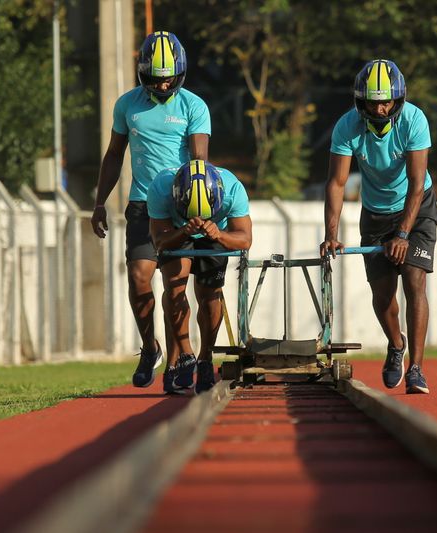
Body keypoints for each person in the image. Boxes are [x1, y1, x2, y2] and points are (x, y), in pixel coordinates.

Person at [90, 31, 211, 389]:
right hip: (143, 204)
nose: (162, 84)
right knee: (139, 278)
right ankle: (149, 347)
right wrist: (99, 203)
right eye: (155, 78)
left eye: (168, 77)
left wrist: (200, 205)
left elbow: (200, 158)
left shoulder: (193, 106)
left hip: (181, 205)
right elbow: (114, 155)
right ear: (143, 73)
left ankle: (176, 366)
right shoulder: (127, 105)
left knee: (175, 287)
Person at [320, 59, 437, 395]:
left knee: (415, 281)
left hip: (416, 209)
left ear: (398, 99)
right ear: (361, 102)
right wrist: (331, 234)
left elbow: (417, 184)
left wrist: (403, 233)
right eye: (373, 102)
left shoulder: (415, 121)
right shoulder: (347, 127)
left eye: (386, 101)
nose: (380, 108)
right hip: (374, 213)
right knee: (383, 295)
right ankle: (396, 343)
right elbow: (337, 182)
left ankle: (416, 368)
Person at [148, 160, 252, 394]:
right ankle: (186, 354)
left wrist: (219, 234)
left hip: (216, 232)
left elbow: (245, 239)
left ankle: (205, 357)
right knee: (174, 286)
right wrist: (184, 230)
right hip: (176, 230)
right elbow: (160, 241)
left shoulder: (233, 189)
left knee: (209, 295)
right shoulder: (160, 188)